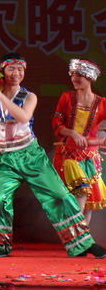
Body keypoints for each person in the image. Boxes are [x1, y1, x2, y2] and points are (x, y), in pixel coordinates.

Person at [0, 53, 106, 258]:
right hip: (6, 159)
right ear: (2, 71)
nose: (17, 73)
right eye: (12, 69)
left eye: (20, 69)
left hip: (31, 155)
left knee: (60, 196)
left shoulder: (29, 97)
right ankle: (0, 246)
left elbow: (23, 116)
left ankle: (84, 243)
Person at [52, 59, 106, 224]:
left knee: (88, 205)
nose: (74, 79)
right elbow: (57, 124)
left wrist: (99, 140)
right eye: (72, 75)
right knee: (80, 194)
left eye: (79, 75)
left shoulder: (102, 103)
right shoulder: (67, 98)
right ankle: (76, 235)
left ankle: (81, 236)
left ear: (89, 77)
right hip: (70, 155)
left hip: (91, 158)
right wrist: (72, 133)